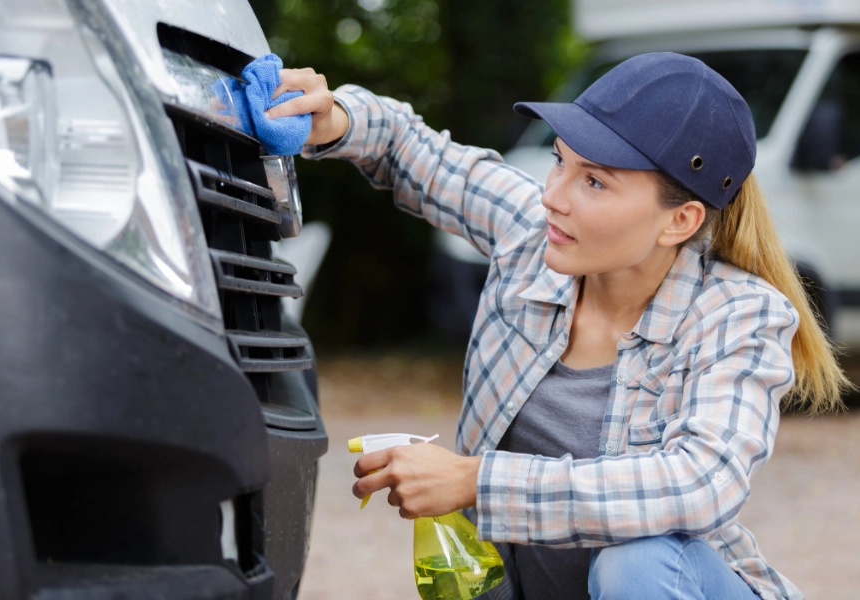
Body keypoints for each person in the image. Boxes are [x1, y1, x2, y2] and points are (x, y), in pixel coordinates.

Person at [265, 53, 850, 599]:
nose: (552, 197)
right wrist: (333, 117)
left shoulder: (739, 314)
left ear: (681, 220)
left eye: (594, 181)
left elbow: (699, 482)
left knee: (636, 561)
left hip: (669, 586)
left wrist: (479, 482)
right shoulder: (532, 240)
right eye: (559, 162)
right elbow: (411, 150)